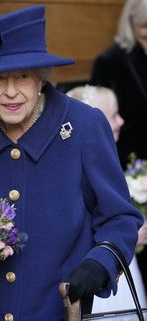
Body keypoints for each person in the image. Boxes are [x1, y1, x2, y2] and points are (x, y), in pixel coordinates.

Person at [0, 5, 143, 320]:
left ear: (41, 78)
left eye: (22, 76)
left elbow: (120, 218)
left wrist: (100, 263)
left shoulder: (84, 126)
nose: (11, 92)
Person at [66, 85, 147, 311]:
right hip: (96, 270)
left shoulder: (109, 155)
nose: (121, 121)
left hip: (120, 259)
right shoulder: (83, 166)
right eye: (113, 115)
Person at [90, 0, 147, 299]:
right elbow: (99, 126)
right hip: (127, 167)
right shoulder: (111, 62)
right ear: (131, 25)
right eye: (144, 29)